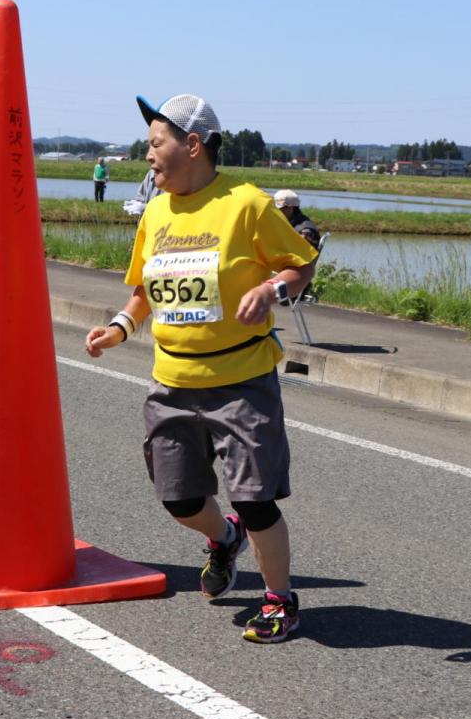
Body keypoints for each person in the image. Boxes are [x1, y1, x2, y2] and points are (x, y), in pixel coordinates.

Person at [84, 94, 317, 644]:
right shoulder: (157, 212)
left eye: (155, 143)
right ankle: (224, 538)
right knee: (180, 499)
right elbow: (144, 288)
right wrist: (119, 328)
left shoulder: (246, 204)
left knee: (255, 500)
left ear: (192, 145)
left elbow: (300, 264)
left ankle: (280, 601)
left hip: (241, 383)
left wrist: (270, 289)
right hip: (172, 383)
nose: (147, 155)